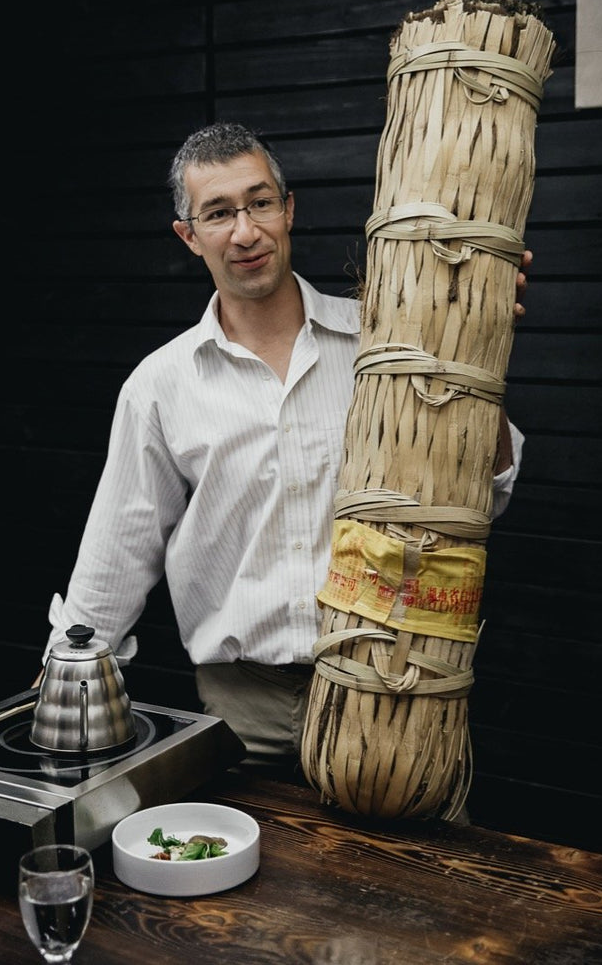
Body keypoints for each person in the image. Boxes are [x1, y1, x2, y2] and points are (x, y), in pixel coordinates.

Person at [39, 122, 526, 774]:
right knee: (249, 844)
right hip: (244, 708)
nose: (245, 232)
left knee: (415, 843)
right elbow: (118, 551)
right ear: (189, 236)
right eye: (218, 213)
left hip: (394, 686)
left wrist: (476, 348)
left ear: (288, 209)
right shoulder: (160, 385)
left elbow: (486, 493)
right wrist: (60, 687)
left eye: (260, 202)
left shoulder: (382, 343)